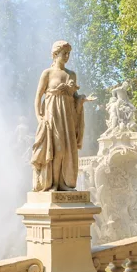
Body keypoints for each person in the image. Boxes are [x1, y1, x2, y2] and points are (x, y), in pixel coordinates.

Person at [31, 40, 96, 191]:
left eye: (68, 53)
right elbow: (38, 96)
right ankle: (53, 184)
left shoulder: (71, 74)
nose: (67, 56)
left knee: (68, 150)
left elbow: (75, 96)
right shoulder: (47, 73)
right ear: (55, 54)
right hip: (52, 114)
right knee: (57, 149)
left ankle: (64, 184)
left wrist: (82, 99)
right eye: (64, 53)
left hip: (67, 116)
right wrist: (39, 116)